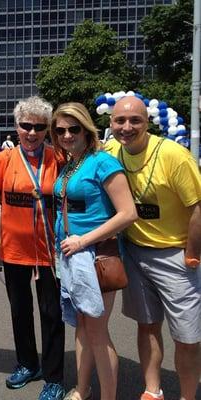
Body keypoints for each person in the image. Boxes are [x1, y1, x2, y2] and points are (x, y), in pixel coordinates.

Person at [105, 96, 201, 400]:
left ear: (148, 122)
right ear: (111, 123)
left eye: (135, 121)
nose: (127, 127)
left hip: (177, 256)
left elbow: (198, 208)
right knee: (147, 325)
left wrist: (192, 253)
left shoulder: (174, 155)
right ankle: (152, 390)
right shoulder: (111, 151)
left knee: (186, 337)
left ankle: (187, 396)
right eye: (120, 121)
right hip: (135, 252)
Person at [0, 96, 65, 400]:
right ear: (17, 127)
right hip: (14, 250)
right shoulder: (4, 160)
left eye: (39, 127)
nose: (32, 132)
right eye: (26, 125)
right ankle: (28, 363)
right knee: (20, 311)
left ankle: (54, 377)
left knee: (52, 313)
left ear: (47, 129)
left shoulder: (58, 158)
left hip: (49, 253)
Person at [50, 103, 137, 400]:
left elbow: (127, 213)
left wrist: (83, 240)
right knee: (82, 327)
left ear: (87, 130)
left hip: (96, 255)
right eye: (60, 130)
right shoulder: (70, 164)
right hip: (71, 255)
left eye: (73, 129)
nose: (66, 135)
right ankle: (82, 389)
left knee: (97, 331)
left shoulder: (103, 162)